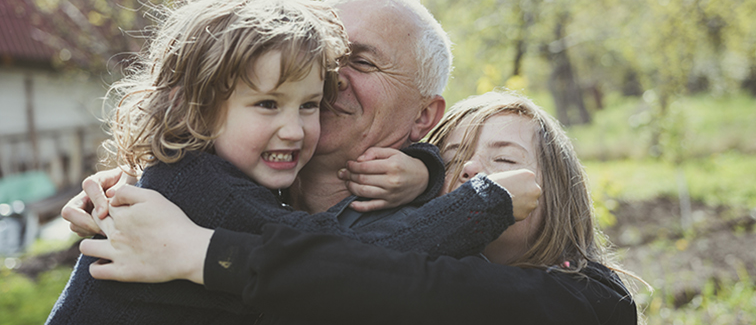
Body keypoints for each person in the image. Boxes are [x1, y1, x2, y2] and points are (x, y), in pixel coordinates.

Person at [52, 0, 541, 324]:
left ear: (423, 118)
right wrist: (480, 200)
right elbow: (332, 263)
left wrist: (433, 176)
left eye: (361, 62)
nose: (329, 82)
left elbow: (341, 270)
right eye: (269, 100)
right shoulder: (193, 189)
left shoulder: (462, 255)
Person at [76, 90, 639, 325]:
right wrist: (141, 191)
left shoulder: (590, 298)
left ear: (559, 188)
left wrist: (197, 250)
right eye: (457, 157)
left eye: (502, 159)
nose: (471, 170)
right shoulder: (401, 239)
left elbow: (395, 281)